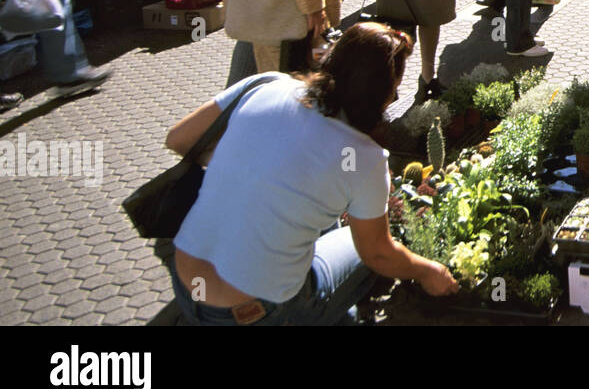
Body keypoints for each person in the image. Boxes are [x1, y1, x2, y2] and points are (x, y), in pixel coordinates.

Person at [165, 22, 458, 326]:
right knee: (362, 247)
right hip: (258, 312)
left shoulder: (265, 85)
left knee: (327, 231)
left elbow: (178, 139)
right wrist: (428, 271)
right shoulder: (364, 158)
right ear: (381, 96)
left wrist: (252, 165)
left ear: (331, 58)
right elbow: (378, 254)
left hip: (185, 281)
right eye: (394, 93)